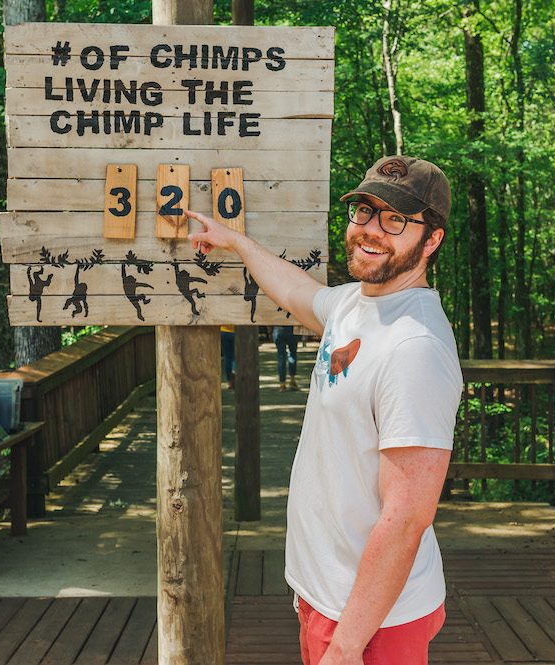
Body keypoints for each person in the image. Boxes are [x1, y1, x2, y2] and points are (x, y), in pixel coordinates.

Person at [185, 155, 462, 665]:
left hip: (374, 621)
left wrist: (346, 647)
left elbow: (406, 520)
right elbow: (296, 290)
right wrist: (235, 241)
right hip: (329, 596)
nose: (372, 230)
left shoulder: (414, 347)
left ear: (433, 239)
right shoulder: (357, 304)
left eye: (396, 219)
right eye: (364, 211)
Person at [271, 325, 301, 390]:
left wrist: (270, 331)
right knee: (292, 355)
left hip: (278, 330)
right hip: (292, 330)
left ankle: (282, 384)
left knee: (281, 357)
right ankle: (292, 380)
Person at [220, 324, 236, 389]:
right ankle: (234, 372)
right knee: (235, 356)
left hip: (223, 331)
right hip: (235, 331)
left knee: (227, 357)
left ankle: (229, 382)